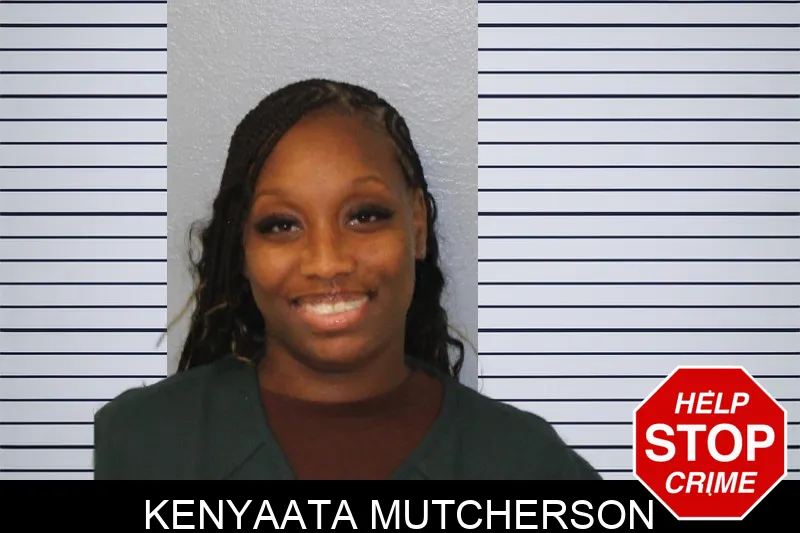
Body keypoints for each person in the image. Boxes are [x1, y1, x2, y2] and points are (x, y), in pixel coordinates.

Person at [93, 78, 601, 480]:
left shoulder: (526, 463)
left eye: (364, 216)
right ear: (242, 249)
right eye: (281, 224)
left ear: (417, 226)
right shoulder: (134, 443)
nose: (327, 262)